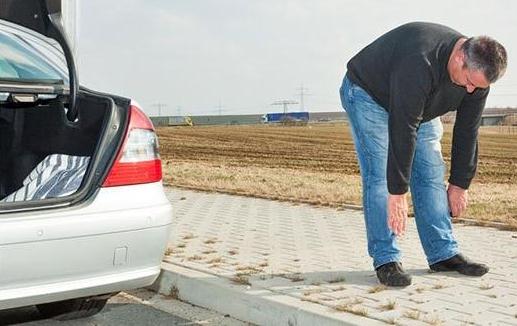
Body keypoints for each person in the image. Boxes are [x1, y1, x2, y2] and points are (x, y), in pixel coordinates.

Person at [339, 22, 507, 287]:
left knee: (430, 173)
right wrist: (398, 193)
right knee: (381, 178)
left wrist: (460, 184)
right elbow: (403, 129)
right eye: (469, 82)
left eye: (479, 86)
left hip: (421, 103)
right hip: (369, 94)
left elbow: (467, 131)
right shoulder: (419, 60)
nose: (471, 90)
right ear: (461, 56)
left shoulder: (477, 79)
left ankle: (443, 254)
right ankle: (386, 258)